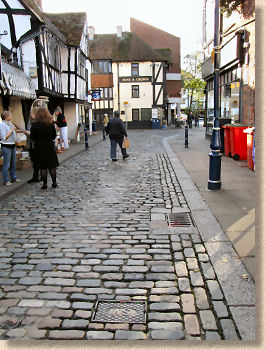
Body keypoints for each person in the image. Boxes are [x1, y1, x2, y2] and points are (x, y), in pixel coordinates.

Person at [30, 108, 59, 189]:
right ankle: (54, 183)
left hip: (39, 147)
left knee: (43, 167)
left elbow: (32, 137)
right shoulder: (51, 124)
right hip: (49, 146)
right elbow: (54, 136)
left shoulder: (35, 125)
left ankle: (45, 184)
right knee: (52, 166)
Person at [0, 111, 21, 186]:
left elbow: (13, 132)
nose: (11, 117)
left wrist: (17, 130)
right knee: (7, 164)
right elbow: (4, 137)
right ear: (6, 117)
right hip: (6, 146)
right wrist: (12, 130)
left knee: (13, 163)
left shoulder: (10, 124)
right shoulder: (2, 125)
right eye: (10, 116)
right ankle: (6, 180)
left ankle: (13, 177)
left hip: (12, 145)